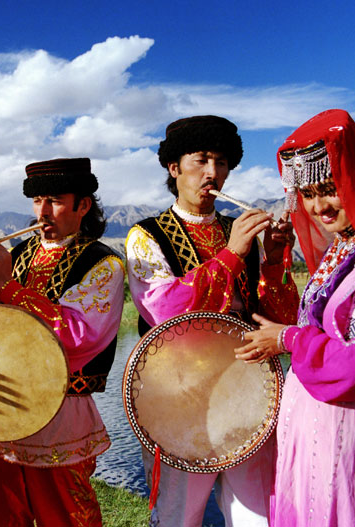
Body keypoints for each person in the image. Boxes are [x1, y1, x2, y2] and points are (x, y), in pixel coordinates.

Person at [234, 109, 355, 526]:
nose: (319, 206)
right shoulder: (344, 250)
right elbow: (307, 322)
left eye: (329, 189)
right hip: (313, 418)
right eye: (308, 194)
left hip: (345, 422)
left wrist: (287, 340)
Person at [125, 115, 299, 527]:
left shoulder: (239, 233)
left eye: (221, 162)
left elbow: (277, 318)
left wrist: (273, 262)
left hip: (248, 392)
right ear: (174, 168)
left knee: (256, 512)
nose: (212, 172)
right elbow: (163, 311)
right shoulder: (146, 235)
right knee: (178, 513)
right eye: (201, 159)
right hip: (176, 395)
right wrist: (232, 254)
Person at [0, 157, 124, 527]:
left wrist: (8, 287)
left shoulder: (103, 264)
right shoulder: (19, 254)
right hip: (3, 406)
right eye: (37, 201)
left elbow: (79, 336)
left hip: (61, 411)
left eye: (55, 201)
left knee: (64, 514)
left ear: (83, 205)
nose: (42, 212)